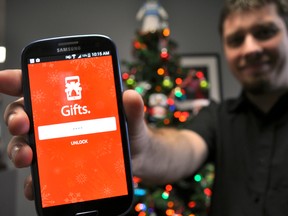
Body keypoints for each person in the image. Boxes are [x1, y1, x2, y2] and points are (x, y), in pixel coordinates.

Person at [3, 0, 288, 215]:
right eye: (236, 39)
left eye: (264, 32)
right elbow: (180, 149)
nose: (250, 48)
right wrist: (136, 148)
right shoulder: (219, 117)